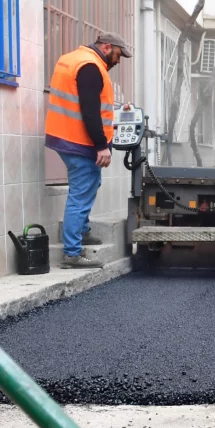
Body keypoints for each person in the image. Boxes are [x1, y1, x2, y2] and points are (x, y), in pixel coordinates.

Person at [44, 33, 131, 269]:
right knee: (80, 195)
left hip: (66, 136)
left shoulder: (73, 59)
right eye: (118, 54)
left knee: (88, 186)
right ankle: (72, 252)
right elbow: (89, 110)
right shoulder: (91, 66)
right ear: (106, 47)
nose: (119, 60)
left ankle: (81, 231)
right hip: (79, 142)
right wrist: (101, 146)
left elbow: (85, 101)